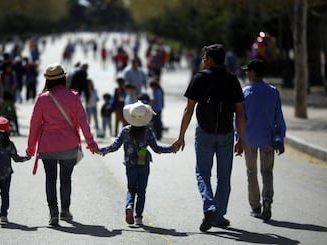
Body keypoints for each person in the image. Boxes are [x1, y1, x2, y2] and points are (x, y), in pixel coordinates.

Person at [174, 44, 245, 232]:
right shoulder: (232, 80)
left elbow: (189, 109)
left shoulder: (200, 78)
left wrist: (181, 136)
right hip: (226, 132)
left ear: (211, 59)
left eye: (205, 57)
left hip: (204, 132)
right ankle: (219, 216)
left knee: (202, 173)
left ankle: (209, 206)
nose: (203, 60)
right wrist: (242, 139)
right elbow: (240, 112)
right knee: (224, 176)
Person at [26, 64, 98, 226]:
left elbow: (35, 125)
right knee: (66, 179)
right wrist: (91, 143)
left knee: (50, 179)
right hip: (68, 144)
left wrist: (31, 149)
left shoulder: (42, 98)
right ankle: (65, 210)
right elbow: (83, 122)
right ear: (63, 78)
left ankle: (53, 212)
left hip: (47, 146)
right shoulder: (73, 96)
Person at [98, 101, 178, 225]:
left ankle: (129, 205)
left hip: (130, 165)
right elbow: (157, 149)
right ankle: (139, 217)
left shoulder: (125, 131)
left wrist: (101, 150)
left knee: (131, 189)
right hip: (143, 164)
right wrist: (172, 148)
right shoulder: (148, 131)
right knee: (141, 191)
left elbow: (115, 146)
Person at [241, 58, 286, 221]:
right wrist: (281, 137)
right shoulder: (273, 91)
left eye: (248, 71)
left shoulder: (245, 93)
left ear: (253, 73)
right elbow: (278, 116)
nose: (246, 73)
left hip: (249, 138)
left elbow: (240, 118)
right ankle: (267, 198)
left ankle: (255, 206)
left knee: (251, 172)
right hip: (268, 138)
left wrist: (238, 137)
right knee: (267, 171)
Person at [0, 117, 30, 223]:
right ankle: (3, 215)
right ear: (7, 130)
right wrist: (27, 157)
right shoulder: (9, 144)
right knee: (5, 194)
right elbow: (16, 158)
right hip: (6, 173)